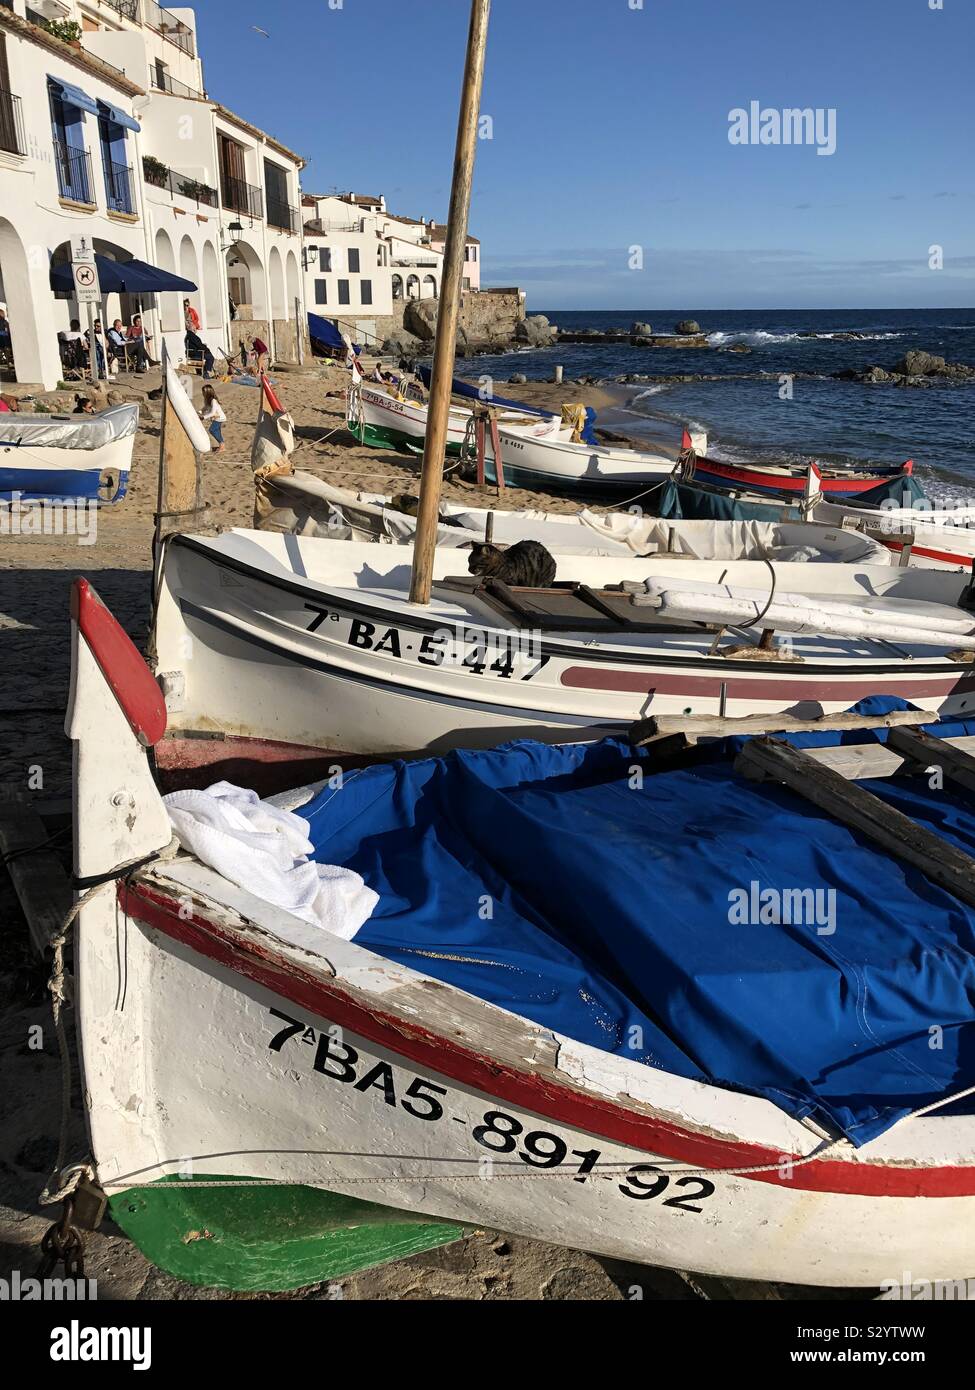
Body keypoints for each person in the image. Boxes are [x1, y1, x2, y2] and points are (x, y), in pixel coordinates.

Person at [199, 383, 225, 452]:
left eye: (204, 392)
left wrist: (203, 417)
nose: (203, 393)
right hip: (216, 418)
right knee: (218, 432)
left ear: (208, 392)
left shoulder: (213, 401)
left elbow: (213, 413)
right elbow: (205, 408)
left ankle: (222, 445)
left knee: (212, 430)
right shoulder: (207, 400)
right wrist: (199, 412)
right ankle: (222, 446)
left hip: (219, 418)